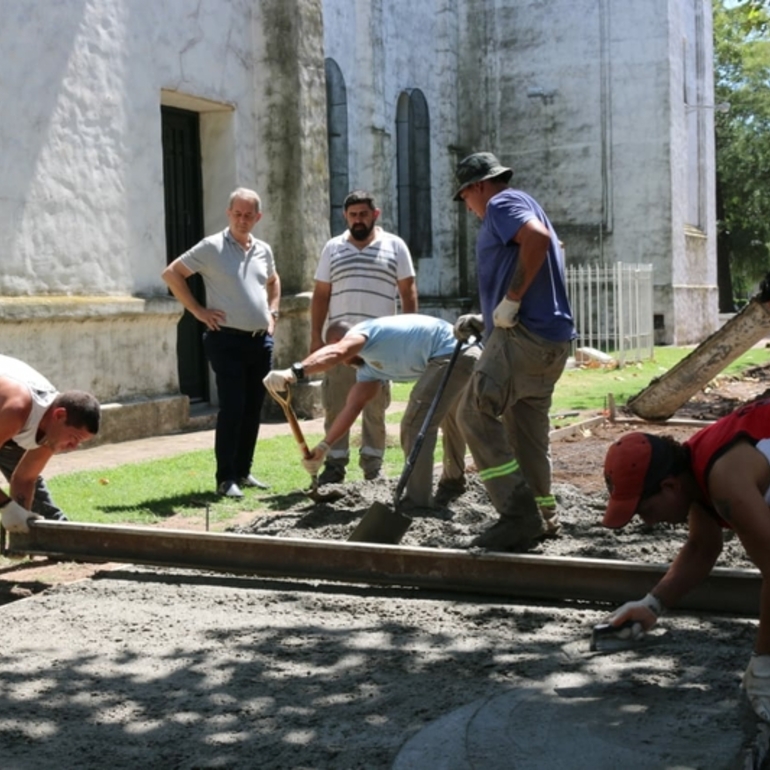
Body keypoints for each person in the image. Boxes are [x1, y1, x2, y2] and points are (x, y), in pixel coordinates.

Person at [601, 398, 770, 722]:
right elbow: (701, 548)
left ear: (669, 486)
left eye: (645, 511)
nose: (648, 523)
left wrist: (764, 664)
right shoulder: (692, 470)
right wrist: (652, 605)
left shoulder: (726, 483)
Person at [452, 151, 576, 551]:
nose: (468, 208)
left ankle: (517, 515)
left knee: (472, 413)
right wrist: (487, 318)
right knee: (525, 432)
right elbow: (543, 246)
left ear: (477, 187)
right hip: (551, 342)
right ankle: (543, 515)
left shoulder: (501, 204)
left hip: (522, 338)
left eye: (465, 197)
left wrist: (511, 300)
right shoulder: (527, 204)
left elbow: (536, 241)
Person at [264, 314, 480, 507]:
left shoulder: (363, 334)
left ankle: (417, 501)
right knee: (450, 419)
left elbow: (337, 352)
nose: (341, 362)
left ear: (342, 340)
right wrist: (323, 448)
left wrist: (293, 373)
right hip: (460, 353)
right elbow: (353, 407)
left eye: (335, 348)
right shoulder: (368, 368)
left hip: (454, 350)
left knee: (415, 423)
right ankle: (452, 484)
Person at [162, 187, 281, 498]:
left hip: (260, 342)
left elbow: (273, 280)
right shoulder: (212, 247)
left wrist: (273, 311)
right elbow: (172, 273)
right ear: (229, 214)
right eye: (237, 214)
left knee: (254, 407)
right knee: (233, 407)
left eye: (249, 215)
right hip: (225, 340)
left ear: (258, 217)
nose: (243, 220)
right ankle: (225, 478)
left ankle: (243, 471)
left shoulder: (263, 249)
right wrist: (198, 311)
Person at [311, 190, 417, 486]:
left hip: (380, 345)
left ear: (375, 214)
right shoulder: (332, 248)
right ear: (345, 217)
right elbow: (320, 296)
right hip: (339, 346)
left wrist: (409, 337)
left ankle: (373, 468)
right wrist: (315, 341)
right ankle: (334, 466)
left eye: (364, 214)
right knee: (336, 404)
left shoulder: (395, 246)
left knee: (374, 408)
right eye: (353, 215)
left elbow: (408, 292)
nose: (358, 220)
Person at [0, 354, 100, 532]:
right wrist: (7, 506)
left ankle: (54, 537)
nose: (72, 447)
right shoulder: (16, 410)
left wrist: (21, 524)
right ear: (59, 415)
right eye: (74, 438)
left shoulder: (50, 426)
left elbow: (25, 478)